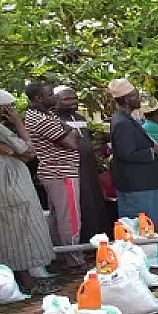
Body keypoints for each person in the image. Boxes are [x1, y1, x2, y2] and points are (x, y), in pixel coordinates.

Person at [0, 90, 58, 295]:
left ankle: (24, 280)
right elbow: (30, 151)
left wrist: (17, 151)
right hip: (10, 184)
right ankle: (28, 282)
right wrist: (18, 123)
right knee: (19, 231)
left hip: (7, 184)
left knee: (11, 232)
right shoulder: (1, 130)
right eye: (10, 108)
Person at [23, 82, 84, 270]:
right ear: (38, 98)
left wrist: (70, 131)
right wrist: (73, 131)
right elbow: (71, 142)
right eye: (50, 94)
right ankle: (74, 258)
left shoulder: (44, 115)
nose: (54, 97)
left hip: (55, 172)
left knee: (59, 216)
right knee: (70, 217)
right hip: (61, 172)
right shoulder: (42, 119)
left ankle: (61, 256)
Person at [107, 78, 158, 235]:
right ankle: (152, 249)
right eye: (135, 95)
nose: (138, 99)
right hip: (137, 182)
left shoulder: (127, 119)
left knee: (157, 216)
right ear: (127, 99)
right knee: (145, 219)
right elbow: (127, 153)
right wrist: (154, 151)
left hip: (146, 179)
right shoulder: (121, 123)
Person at [53, 86, 110, 240]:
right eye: (66, 99)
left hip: (89, 168)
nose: (72, 102)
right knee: (81, 205)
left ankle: (101, 238)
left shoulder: (80, 118)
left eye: (74, 98)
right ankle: (85, 241)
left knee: (96, 203)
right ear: (56, 101)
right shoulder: (54, 120)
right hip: (71, 169)